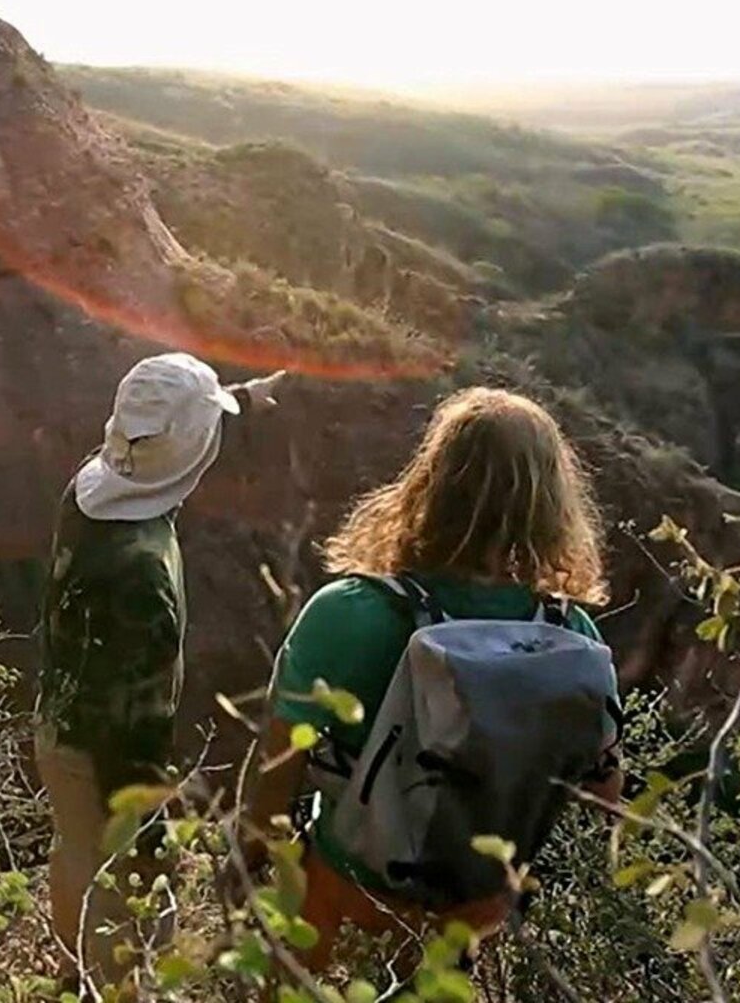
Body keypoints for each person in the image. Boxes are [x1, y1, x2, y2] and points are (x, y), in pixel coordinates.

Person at [246, 386, 623, 972]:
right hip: (474, 911)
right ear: (551, 502)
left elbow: (278, 762)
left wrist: (250, 857)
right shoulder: (570, 633)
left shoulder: (349, 610)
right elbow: (604, 790)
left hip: (348, 890)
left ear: (431, 480)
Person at [36, 352, 285, 991]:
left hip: (58, 728)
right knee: (132, 934)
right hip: (106, 764)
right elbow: (132, 738)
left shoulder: (94, 483)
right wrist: (153, 842)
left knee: (75, 868)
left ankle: (70, 979)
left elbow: (159, 436)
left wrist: (241, 400)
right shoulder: (142, 577)